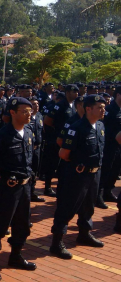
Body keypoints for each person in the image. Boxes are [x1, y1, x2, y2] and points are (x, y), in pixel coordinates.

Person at [0, 97, 37, 281]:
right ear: (12, 113)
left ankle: (15, 256)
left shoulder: (28, 131)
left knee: (23, 224)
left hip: (25, 186)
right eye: (24, 111)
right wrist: (3, 172)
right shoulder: (2, 135)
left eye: (30, 111)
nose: (29, 114)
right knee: (0, 225)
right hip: (9, 188)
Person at [50, 95, 106, 259]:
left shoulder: (100, 125)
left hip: (94, 174)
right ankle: (57, 242)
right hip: (77, 175)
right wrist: (79, 165)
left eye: (104, 107)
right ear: (88, 109)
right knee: (67, 208)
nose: (103, 110)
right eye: (99, 107)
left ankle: (84, 234)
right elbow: (63, 153)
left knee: (88, 206)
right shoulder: (76, 128)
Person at [97, 86, 121, 207]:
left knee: (115, 170)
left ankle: (108, 191)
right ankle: (98, 195)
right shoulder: (110, 110)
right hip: (109, 145)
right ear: (118, 95)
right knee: (105, 169)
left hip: (118, 146)